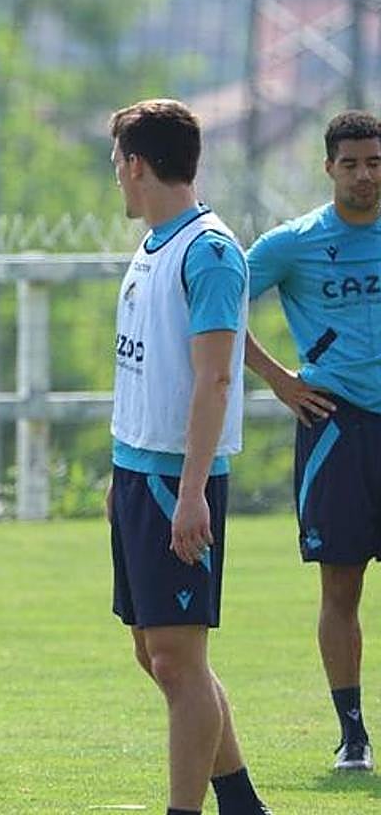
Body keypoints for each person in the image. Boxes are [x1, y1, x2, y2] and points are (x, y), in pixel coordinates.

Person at [106, 99, 270, 815]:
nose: (116, 176)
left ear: (137, 165)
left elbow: (215, 376)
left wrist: (193, 490)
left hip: (180, 477)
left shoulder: (208, 251)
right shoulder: (151, 247)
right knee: (158, 655)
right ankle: (241, 803)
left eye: (117, 163)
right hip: (139, 473)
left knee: (178, 661)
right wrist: (121, 474)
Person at [244, 109, 381, 773]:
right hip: (336, 427)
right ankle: (352, 732)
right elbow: (212, 301)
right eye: (351, 163)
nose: (364, 174)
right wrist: (277, 379)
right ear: (329, 167)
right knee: (341, 586)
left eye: (375, 162)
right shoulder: (294, 244)